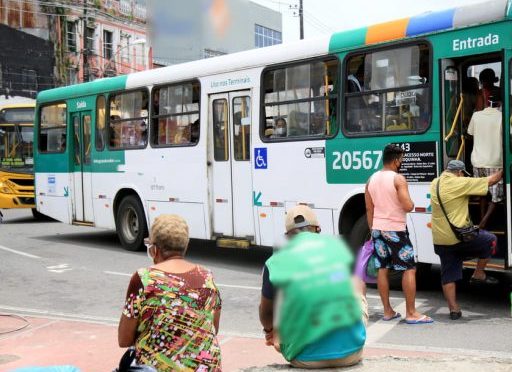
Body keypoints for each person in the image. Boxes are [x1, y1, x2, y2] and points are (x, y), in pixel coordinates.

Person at [259, 205, 368, 368]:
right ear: (317, 229)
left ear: (288, 236)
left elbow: (266, 312)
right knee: (356, 282)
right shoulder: (337, 249)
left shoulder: (277, 261)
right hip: (351, 353)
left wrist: (270, 332)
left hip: (304, 358)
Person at [118, 214, 222, 371]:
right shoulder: (207, 277)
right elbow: (213, 327)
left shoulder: (144, 278)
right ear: (185, 246)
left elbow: (124, 339)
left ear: (155, 250)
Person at [365, 144, 433, 324]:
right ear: (396, 161)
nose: (401, 162)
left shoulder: (371, 179)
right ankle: (411, 313)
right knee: (409, 268)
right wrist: (410, 201)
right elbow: (407, 206)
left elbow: (369, 208)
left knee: (382, 268)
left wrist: (373, 230)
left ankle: (387, 311)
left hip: (378, 229)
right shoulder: (398, 179)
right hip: (395, 229)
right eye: (401, 160)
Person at [430, 160, 502, 320]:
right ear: (459, 172)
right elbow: (492, 180)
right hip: (460, 237)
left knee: (448, 273)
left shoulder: (435, 183)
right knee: (490, 240)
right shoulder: (459, 182)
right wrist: (506, 168)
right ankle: (478, 273)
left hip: (440, 238)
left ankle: (454, 310)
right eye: (463, 174)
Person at [467, 98, 503, 229]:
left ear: (486, 103)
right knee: (495, 197)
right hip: (495, 162)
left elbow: (470, 133)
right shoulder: (502, 116)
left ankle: (481, 219)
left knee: (482, 192)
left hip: (477, 161)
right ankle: (484, 223)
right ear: (499, 104)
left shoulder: (476, 115)